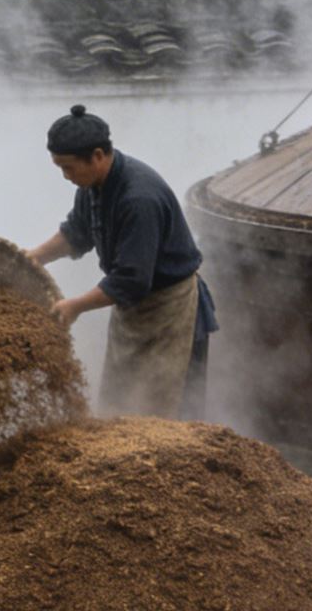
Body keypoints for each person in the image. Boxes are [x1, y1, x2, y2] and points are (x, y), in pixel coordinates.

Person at [25, 104, 217, 419]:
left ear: (97, 155)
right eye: (60, 168)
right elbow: (76, 232)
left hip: (169, 311)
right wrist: (33, 258)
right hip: (132, 311)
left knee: (163, 417)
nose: (66, 176)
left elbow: (132, 279)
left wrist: (75, 306)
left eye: (69, 168)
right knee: (121, 406)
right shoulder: (92, 185)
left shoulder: (139, 199)